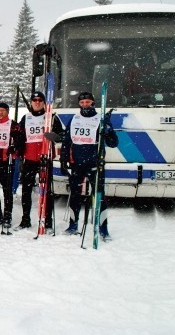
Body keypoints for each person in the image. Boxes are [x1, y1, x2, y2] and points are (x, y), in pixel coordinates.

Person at [60, 91, 118, 240]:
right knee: (75, 195)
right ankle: (73, 225)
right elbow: (67, 141)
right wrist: (63, 159)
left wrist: (108, 131)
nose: (85, 104)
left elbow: (113, 143)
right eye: (82, 102)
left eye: (88, 102)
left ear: (93, 102)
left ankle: (103, 228)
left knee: (99, 196)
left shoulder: (101, 119)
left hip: (95, 163)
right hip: (77, 164)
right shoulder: (74, 119)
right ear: (79, 104)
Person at [15, 92, 64, 230]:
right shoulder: (26, 118)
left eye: (40, 100)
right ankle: (25, 220)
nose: (37, 102)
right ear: (31, 103)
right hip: (29, 159)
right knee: (26, 190)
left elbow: (62, 136)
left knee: (46, 191)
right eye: (34, 100)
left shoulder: (51, 117)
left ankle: (47, 220)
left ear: (44, 102)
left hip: (45, 158)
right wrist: (17, 147)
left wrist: (55, 136)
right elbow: (20, 137)